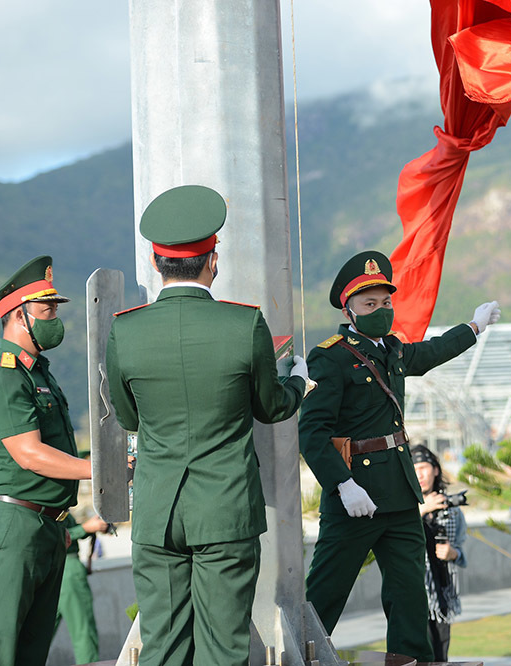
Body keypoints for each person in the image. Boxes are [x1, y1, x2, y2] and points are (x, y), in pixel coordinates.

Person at [106, 184, 312, 666]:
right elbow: (271, 407)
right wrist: (299, 382)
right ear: (212, 260)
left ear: (156, 264)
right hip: (223, 512)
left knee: (162, 649)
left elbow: (129, 416)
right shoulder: (244, 325)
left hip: (157, 514)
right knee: (222, 651)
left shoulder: (126, 328)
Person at [298, 249, 500, 662]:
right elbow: (312, 434)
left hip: (400, 491)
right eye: (370, 304)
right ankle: (303, 655)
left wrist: (474, 326)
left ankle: (410, 659)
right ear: (349, 309)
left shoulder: (391, 350)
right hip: (357, 494)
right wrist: (342, 485)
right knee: (327, 591)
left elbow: (430, 353)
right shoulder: (331, 357)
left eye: (386, 302)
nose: (381, 310)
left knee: (409, 588)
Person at [0, 255, 93, 666]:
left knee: (31, 649)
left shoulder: (38, 372)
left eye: (56, 308)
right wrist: (100, 469)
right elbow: (29, 453)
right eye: (47, 309)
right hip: (15, 525)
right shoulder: (3, 373)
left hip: (47, 525)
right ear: (18, 315)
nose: (56, 317)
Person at [412, 444, 468, 662]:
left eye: (424, 467)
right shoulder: (405, 508)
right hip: (415, 596)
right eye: (414, 468)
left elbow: (462, 552)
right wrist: (422, 510)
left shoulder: (453, 511)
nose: (420, 475)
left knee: (441, 655)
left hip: (443, 597)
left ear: (435, 469)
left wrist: (453, 554)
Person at [53, 512, 110, 664]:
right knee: (83, 633)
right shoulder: (56, 501)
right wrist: (85, 528)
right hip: (68, 569)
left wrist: (90, 528)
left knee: (38, 635)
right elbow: (55, 536)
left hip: (51, 571)